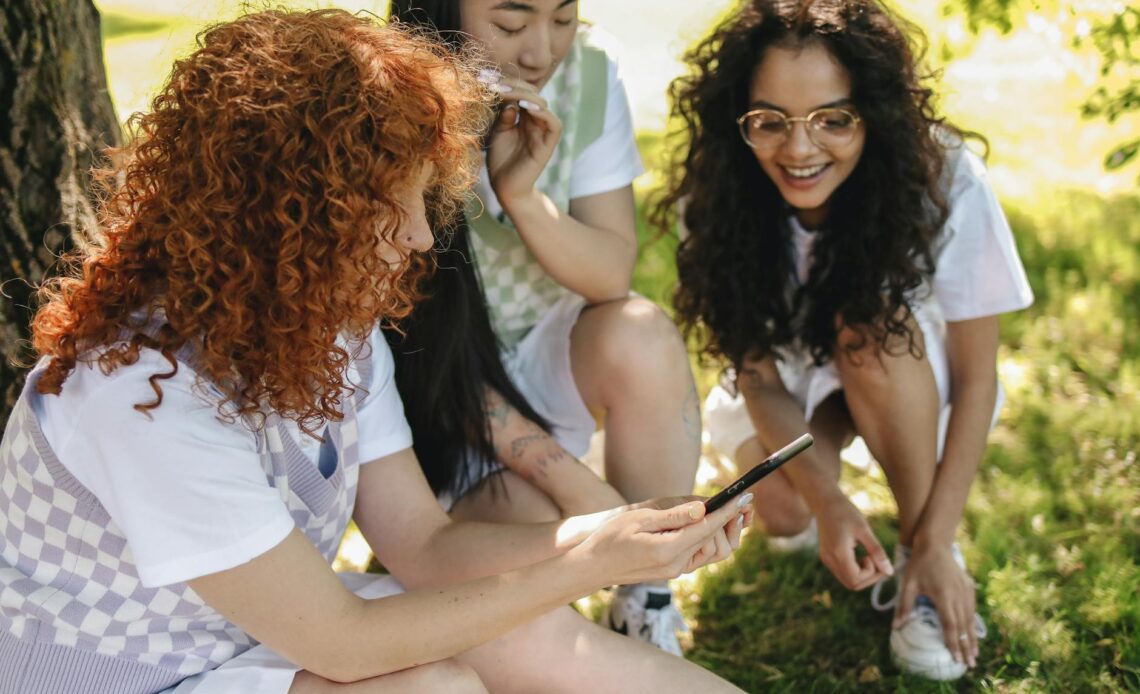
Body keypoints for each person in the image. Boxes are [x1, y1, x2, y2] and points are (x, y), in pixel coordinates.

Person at [0, 10, 754, 693]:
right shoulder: (141, 393)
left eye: (424, 198)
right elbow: (343, 645)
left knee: (518, 626)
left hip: (252, 643)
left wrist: (623, 534)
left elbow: (425, 545)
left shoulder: (331, 326)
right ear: (286, 213)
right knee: (432, 690)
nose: (424, 238)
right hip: (123, 678)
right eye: (392, 205)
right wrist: (589, 566)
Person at [652, 0, 1034, 681]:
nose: (800, 150)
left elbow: (978, 379)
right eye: (770, 121)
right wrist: (828, 501)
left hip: (903, 368)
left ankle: (924, 554)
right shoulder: (716, 196)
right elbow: (760, 377)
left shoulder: (943, 179)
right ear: (739, 116)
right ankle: (838, 495)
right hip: (794, 381)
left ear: (875, 115)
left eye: (833, 118)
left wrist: (936, 540)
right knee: (784, 512)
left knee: (869, 334)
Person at [386, 0, 702, 654]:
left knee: (639, 334)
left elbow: (611, 273)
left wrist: (524, 195)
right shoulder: (391, 99)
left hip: (541, 352)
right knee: (535, 551)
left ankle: (644, 599)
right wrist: (586, 494)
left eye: (563, 17)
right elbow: (426, 357)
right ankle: (621, 553)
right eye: (510, 23)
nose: (540, 52)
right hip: (438, 403)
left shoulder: (588, 71)